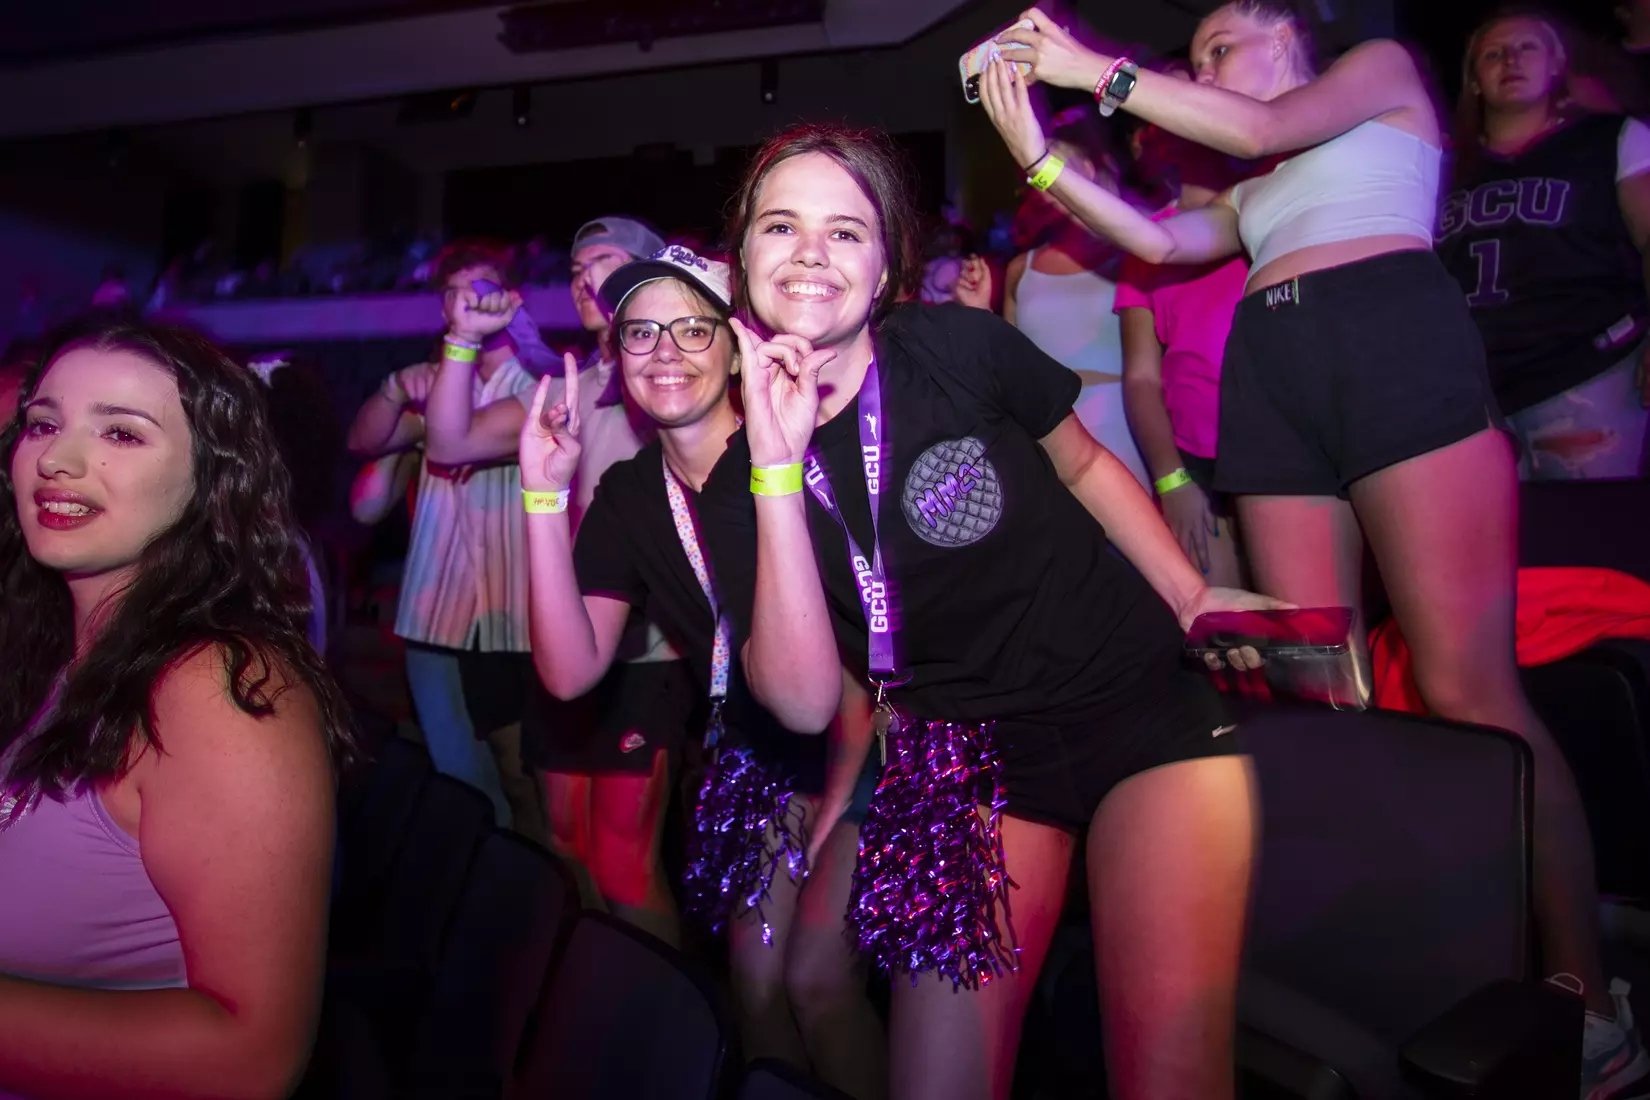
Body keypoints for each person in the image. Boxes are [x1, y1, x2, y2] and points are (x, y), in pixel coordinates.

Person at [983, 4, 1645, 1095]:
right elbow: (1157, 242)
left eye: (1221, 46)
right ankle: (1406, 960)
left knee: (1465, 685)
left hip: (1390, 347)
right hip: (1277, 381)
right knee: (1320, 693)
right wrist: (1036, 152)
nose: (1204, 67)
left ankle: (1589, 990)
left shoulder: (1378, 72)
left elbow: (1249, 126)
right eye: (1195, 58)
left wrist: (1085, 66)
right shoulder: (1248, 189)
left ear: (1293, 46)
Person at [701, 121, 1280, 1100]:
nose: (809, 254)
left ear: (888, 264)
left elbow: (1086, 461)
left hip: (1136, 709)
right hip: (960, 761)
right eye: (780, 227)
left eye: (846, 232)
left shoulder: (959, 347)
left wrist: (1193, 592)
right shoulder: (732, 487)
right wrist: (773, 463)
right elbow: (800, 703)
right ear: (739, 258)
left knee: (1169, 1073)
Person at [516, 247, 885, 1096]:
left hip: (873, 741)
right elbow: (570, 674)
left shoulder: (798, 453)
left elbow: (867, 653)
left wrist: (831, 812)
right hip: (759, 751)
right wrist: (542, 496)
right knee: (754, 983)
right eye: (641, 332)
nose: (666, 351)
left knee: (816, 981)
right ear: (616, 358)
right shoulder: (631, 493)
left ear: (734, 346)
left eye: (692, 327)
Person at [0, 317, 353, 1099]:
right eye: (42, 423)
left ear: (209, 479)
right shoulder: (68, 650)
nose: (57, 459)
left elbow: (251, 1059)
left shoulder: (219, 687)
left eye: (122, 434)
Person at [419, 217, 698, 942]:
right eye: (576, 266)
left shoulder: (677, 386)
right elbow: (448, 441)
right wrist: (463, 339)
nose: (583, 277)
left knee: (625, 865)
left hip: (646, 655)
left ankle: (669, 1038)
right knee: (567, 848)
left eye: (604, 262)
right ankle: (600, 1018)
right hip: (565, 650)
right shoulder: (571, 384)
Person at [344, 242, 540, 838]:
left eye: (478, 290)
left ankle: (544, 897)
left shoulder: (537, 380)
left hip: (511, 616)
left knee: (520, 776)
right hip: (433, 613)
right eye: (452, 295)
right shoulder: (433, 381)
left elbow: (459, 440)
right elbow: (364, 442)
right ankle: (485, 904)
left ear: (511, 299)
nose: (464, 305)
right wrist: (396, 387)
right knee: (457, 778)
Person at [1439, 9, 1650, 480]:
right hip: (1472, 394)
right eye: (1493, 54)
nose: (1510, 59)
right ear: (1474, 81)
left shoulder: (1612, 138)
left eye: (1527, 47)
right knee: (1497, 550)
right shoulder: (1440, 168)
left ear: (1557, 65)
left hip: (1586, 370)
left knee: (1588, 535)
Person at [1116, 115, 1255, 587]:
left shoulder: (1266, 210)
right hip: (1196, 461)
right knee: (1228, 638)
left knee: (1302, 622)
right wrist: (1172, 481)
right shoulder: (1143, 240)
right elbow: (1141, 378)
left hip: (1285, 446)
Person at [1001, 107, 1151, 490]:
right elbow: (1009, 370)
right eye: (1031, 166)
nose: (1037, 175)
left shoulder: (1137, 248)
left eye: (1048, 159)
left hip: (1123, 427)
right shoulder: (1023, 267)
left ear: (1087, 165)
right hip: (1044, 434)